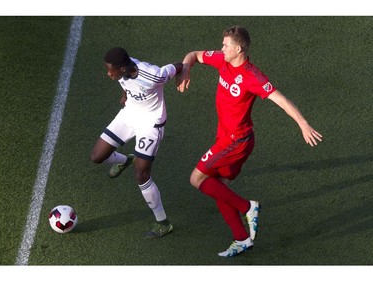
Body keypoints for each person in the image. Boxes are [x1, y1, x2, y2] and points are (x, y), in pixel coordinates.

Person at [176, 26, 323, 257]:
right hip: (224, 137)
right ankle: (242, 239)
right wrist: (185, 69)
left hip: (236, 142)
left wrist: (303, 123)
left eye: (225, 45)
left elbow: (281, 99)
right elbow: (194, 55)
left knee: (196, 178)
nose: (221, 48)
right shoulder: (222, 60)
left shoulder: (252, 76)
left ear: (238, 48)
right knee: (217, 186)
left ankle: (248, 207)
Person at [91, 47, 183, 238]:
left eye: (111, 71)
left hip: (151, 124)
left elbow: (176, 67)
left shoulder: (153, 75)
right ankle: (125, 160)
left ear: (123, 69)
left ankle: (163, 223)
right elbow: (126, 83)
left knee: (141, 175)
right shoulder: (122, 70)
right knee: (97, 156)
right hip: (129, 115)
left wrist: (186, 68)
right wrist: (126, 94)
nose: (108, 74)